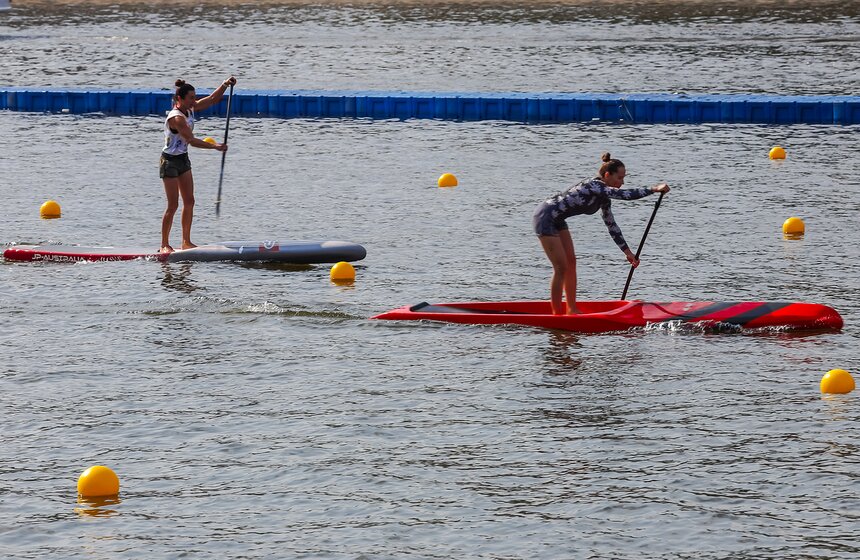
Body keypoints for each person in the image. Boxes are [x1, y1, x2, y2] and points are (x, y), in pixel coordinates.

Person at [532, 152, 670, 315]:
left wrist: (628, 253)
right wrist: (653, 189)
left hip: (559, 219)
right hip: (545, 217)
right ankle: (557, 315)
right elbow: (624, 195)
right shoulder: (594, 186)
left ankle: (571, 310)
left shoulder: (604, 197)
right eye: (619, 178)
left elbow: (611, 225)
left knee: (571, 263)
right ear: (607, 175)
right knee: (561, 267)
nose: (622, 182)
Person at [159, 76, 237, 253]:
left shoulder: (190, 108)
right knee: (173, 205)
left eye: (194, 97)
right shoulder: (176, 118)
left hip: (183, 159)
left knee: (189, 201)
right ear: (180, 99)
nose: (194, 101)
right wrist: (215, 146)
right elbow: (191, 140)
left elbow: (212, 99)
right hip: (169, 161)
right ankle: (164, 244)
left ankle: (186, 242)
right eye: (191, 98)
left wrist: (225, 85)